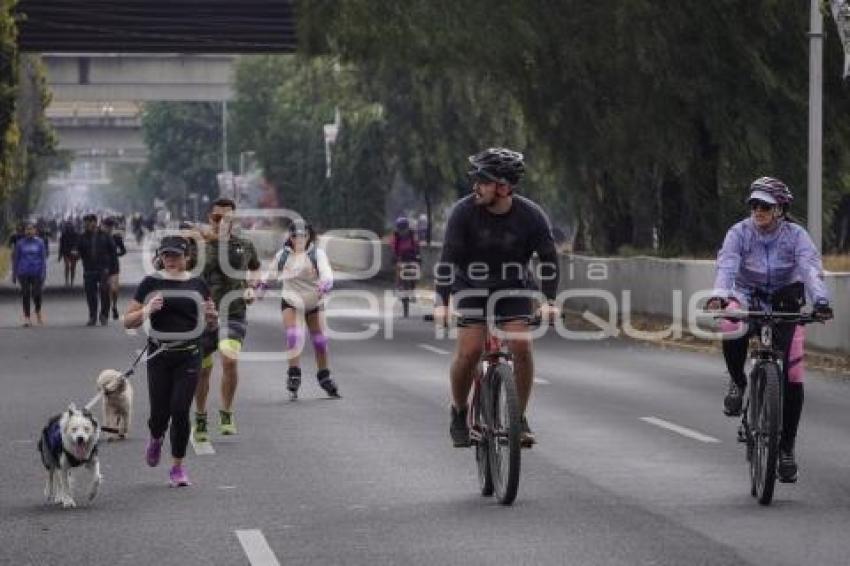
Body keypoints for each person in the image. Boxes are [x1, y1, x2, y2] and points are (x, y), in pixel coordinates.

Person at [706, 176, 833, 483]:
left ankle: (787, 449)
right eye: (754, 204)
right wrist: (720, 295)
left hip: (785, 301)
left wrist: (821, 301)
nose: (758, 210)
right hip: (747, 295)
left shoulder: (796, 236)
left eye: (765, 205)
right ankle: (738, 382)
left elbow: (810, 267)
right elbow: (727, 264)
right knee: (731, 318)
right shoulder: (739, 232)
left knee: (793, 376)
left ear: (780, 209)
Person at [433, 147, 561, 448]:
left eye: (483, 180)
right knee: (471, 350)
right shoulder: (463, 212)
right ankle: (460, 410)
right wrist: (442, 302)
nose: (475, 186)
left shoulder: (531, 216)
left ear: (503, 187)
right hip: (470, 286)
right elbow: (448, 259)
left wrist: (549, 301)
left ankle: (518, 418)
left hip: (513, 287)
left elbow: (549, 260)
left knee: (521, 344)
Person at [124, 235, 217, 487]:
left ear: (187, 257)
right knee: (159, 413)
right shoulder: (150, 283)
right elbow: (127, 321)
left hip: (189, 353)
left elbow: (211, 322)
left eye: (176, 255)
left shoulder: (198, 284)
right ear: (160, 257)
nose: (171, 260)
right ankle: (156, 437)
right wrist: (147, 310)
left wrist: (212, 318)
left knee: (179, 410)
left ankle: (177, 467)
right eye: (166, 255)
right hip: (160, 355)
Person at [192, 198, 261, 442]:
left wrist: (253, 286)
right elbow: (178, 271)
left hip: (234, 313)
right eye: (218, 218)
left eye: (228, 218)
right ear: (211, 218)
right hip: (203, 317)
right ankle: (200, 416)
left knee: (229, 361)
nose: (223, 223)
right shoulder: (198, 246)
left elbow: (255, 268)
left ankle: (226, 411)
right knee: (203, 370)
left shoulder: (244, 244)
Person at [259, 219, 338, 399]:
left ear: (309, 236)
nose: (299, 240)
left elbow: (327, 272)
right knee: (294, 336)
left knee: (319, 341)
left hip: (314, 303)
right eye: (295, 236)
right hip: (291, 301)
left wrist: (325, 284)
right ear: (291, 237)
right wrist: (261, 288)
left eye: (303, 236)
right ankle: (294, 373)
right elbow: (270, 274)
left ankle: (324, 375)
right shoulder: (283, 256)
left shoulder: (317, 255)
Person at [77, 214, 119, 326]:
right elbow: (78, 250)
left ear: (95, 222)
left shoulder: (105, 236)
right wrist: (76, 253)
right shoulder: (82, 237)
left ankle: (104, 315)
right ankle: (92, 316)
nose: (87, 225)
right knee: (90, 294)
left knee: (105, 292)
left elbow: (113, 253)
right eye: (85, 223)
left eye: (90, 222)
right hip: (89, 269)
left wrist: (113, 272)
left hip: (104, 269)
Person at [13, 221, 47, 326]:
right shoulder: (20, 243)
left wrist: (43, 272)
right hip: (23, 272)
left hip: (36, 272)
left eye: (31, 229)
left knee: (37, 294)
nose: (29, 231)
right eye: (27, 229)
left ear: (35, 231)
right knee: (25, 294)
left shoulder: (40, 243)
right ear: (24, 231)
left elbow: (43, 259)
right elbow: (16, 259)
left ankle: (37, 309)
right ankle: (27, 318)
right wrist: (14, 274)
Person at [102, 217, 127, 320]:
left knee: (114, 289)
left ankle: (114, 306)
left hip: (114, 265)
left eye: (111, 226)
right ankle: (105, 310)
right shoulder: (100, 237)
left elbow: (123, 251)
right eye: (107, 226)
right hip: (103, 266)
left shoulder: (117, 237)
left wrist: (116, 254)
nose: (109, 228)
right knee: (105, 289)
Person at [390, 216, 421, 297]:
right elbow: (393, 246)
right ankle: (398, 286)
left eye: (404, 228)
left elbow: (416, 244)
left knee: (414, 269)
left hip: (411, 254)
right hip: (400, 255)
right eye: (400, 229)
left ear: (407, 227)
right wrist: (394, 256)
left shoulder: (412, 234)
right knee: (399, 268)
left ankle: (413, 289)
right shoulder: (396, 236)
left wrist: (418, 255)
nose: (402, 231)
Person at [58, 221, 80, 287]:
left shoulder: (76, 234)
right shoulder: (63, 235)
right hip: (66, 252)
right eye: (67, 226)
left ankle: (71, 281)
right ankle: (67, 281)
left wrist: (78, 253)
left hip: (73, 253)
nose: (69, 228)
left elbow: (78, 244)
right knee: (67, 266)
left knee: (72, 267)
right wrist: (60, 255)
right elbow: (61, 245)